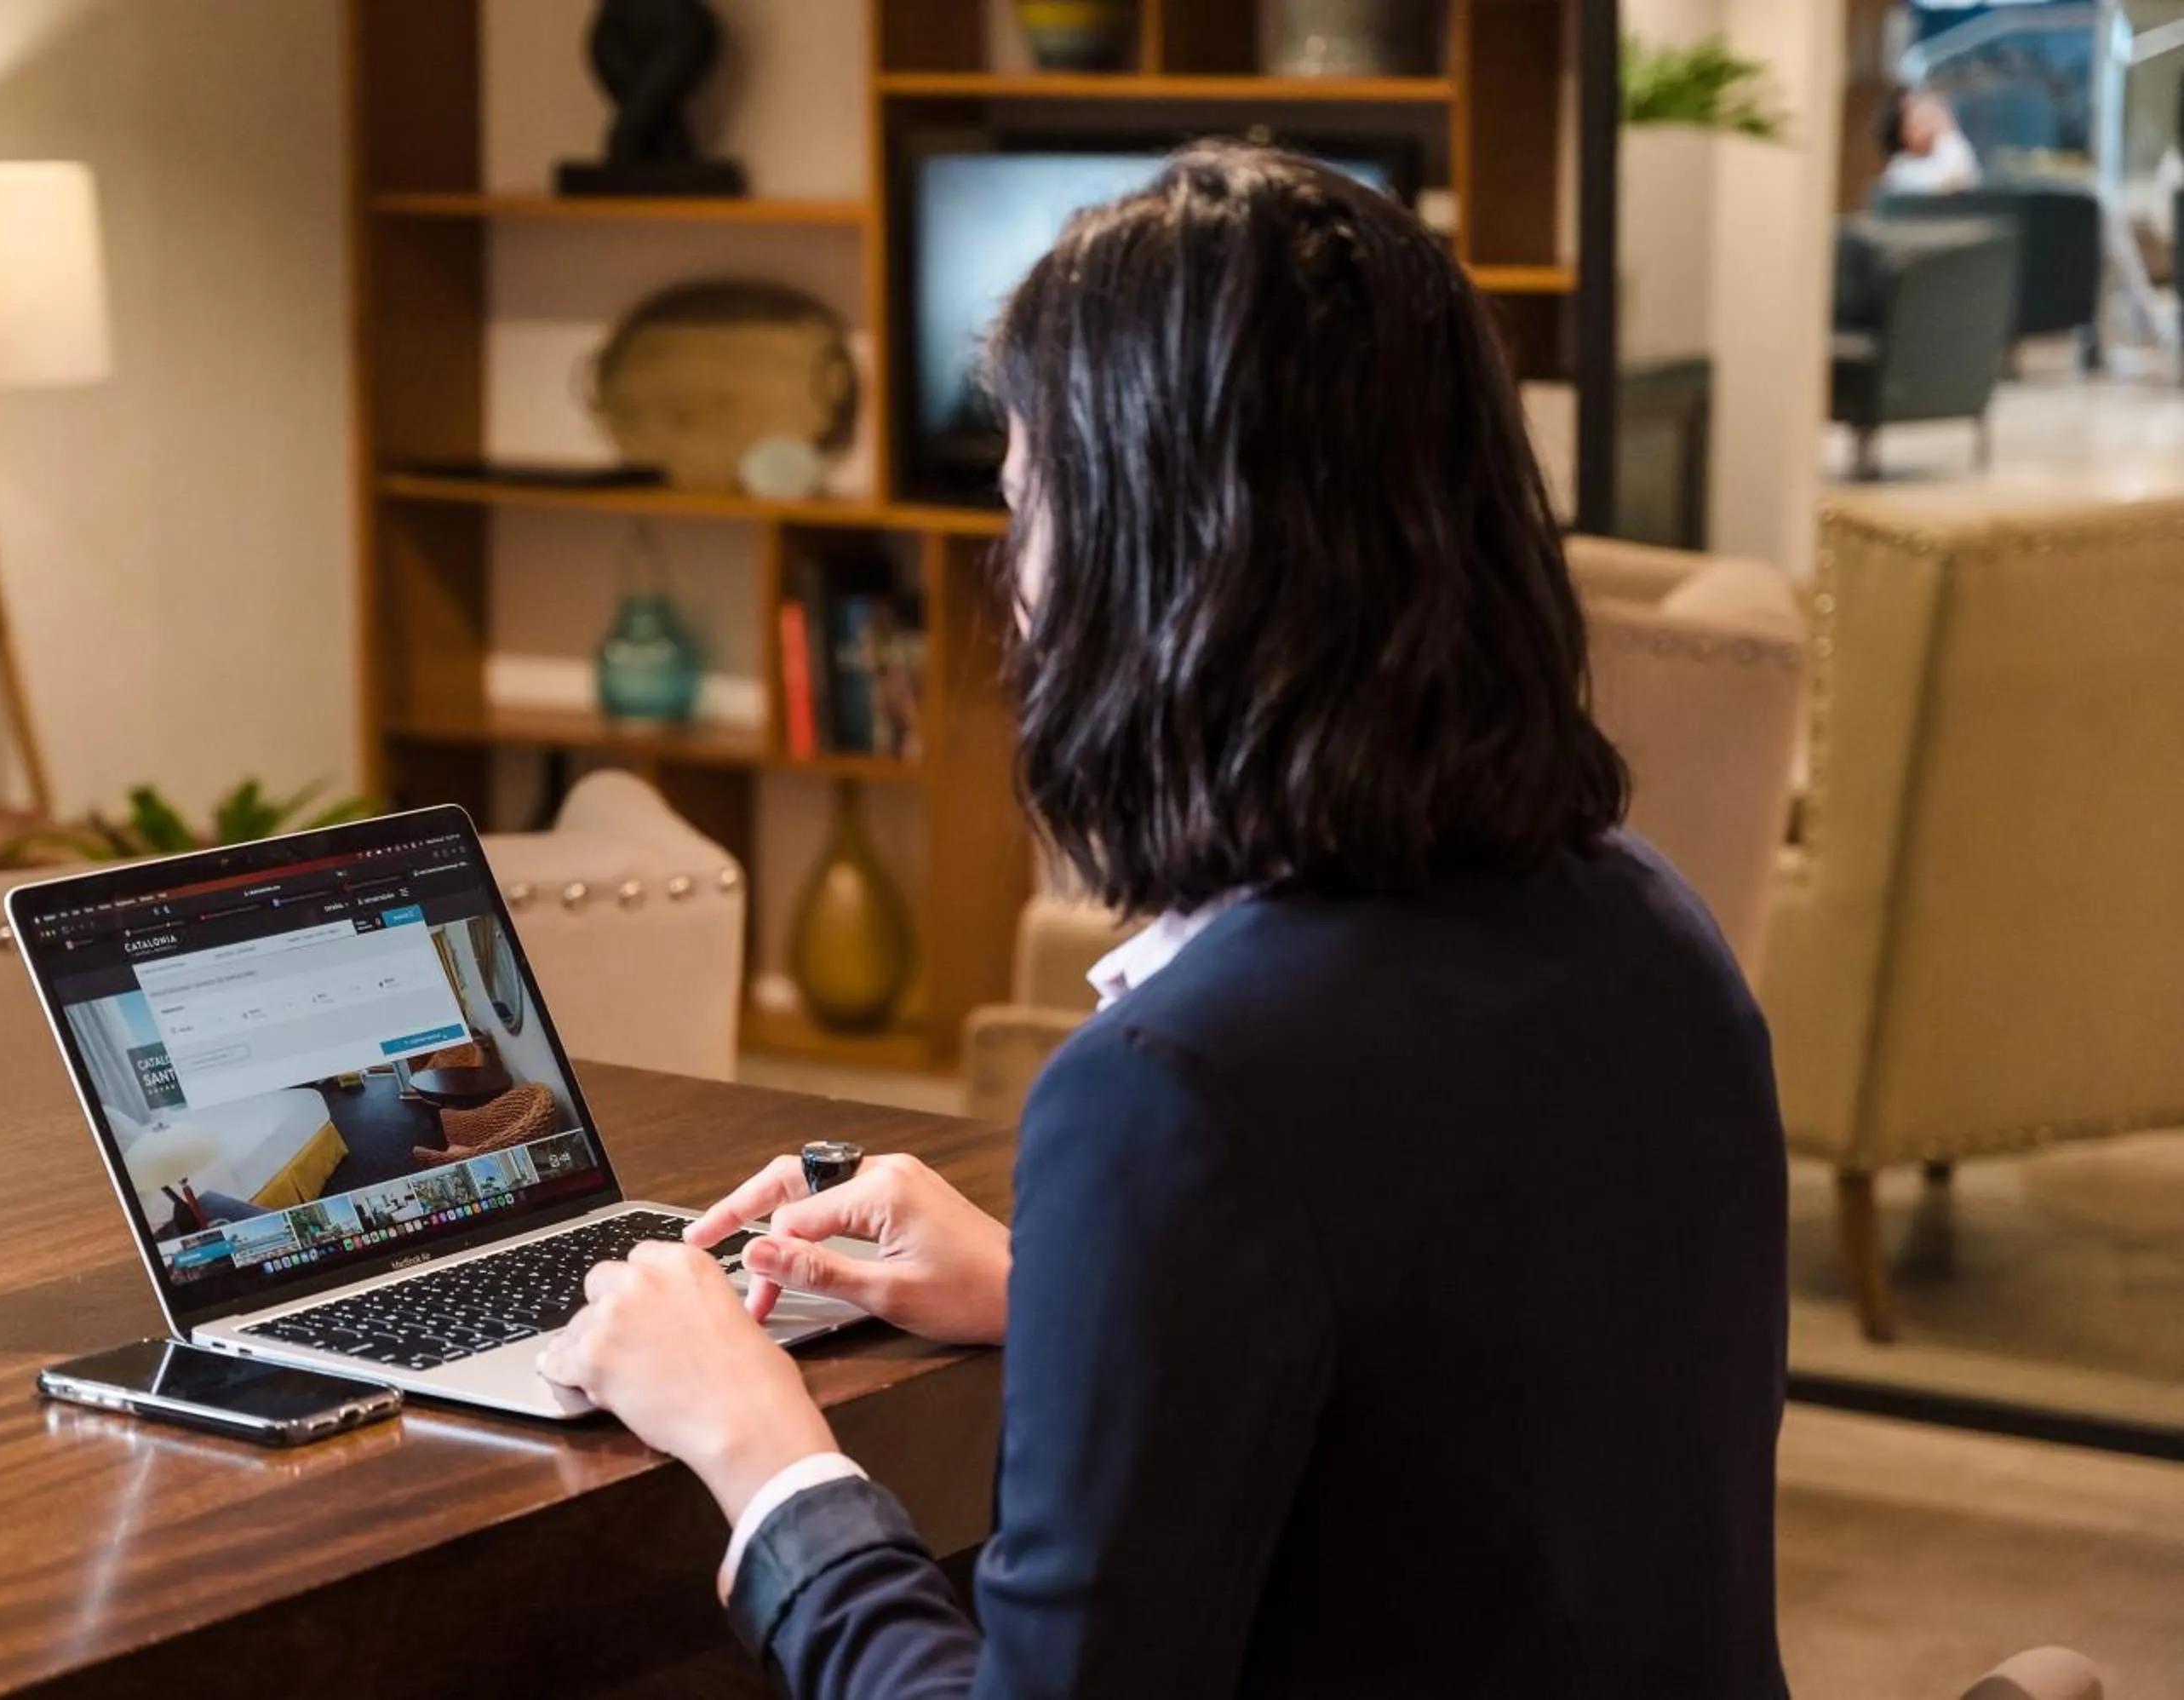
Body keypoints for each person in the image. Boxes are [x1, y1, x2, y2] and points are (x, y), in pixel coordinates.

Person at [539, 142, 1790, 1698]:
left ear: (1152, 569)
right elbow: (1461, 1382)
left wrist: (759, 1445)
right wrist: (1067, 1287)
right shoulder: (1651, 931)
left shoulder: (1185, 1092)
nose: (1014, 585)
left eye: (1026, 512)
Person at [1880, 87, 1981, 195]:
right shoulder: (1901, 171)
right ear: (1904, 134)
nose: (1928, 109)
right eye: (1916, 110)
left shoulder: (1945, 151)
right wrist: (1947, 134)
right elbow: (1956, 180)